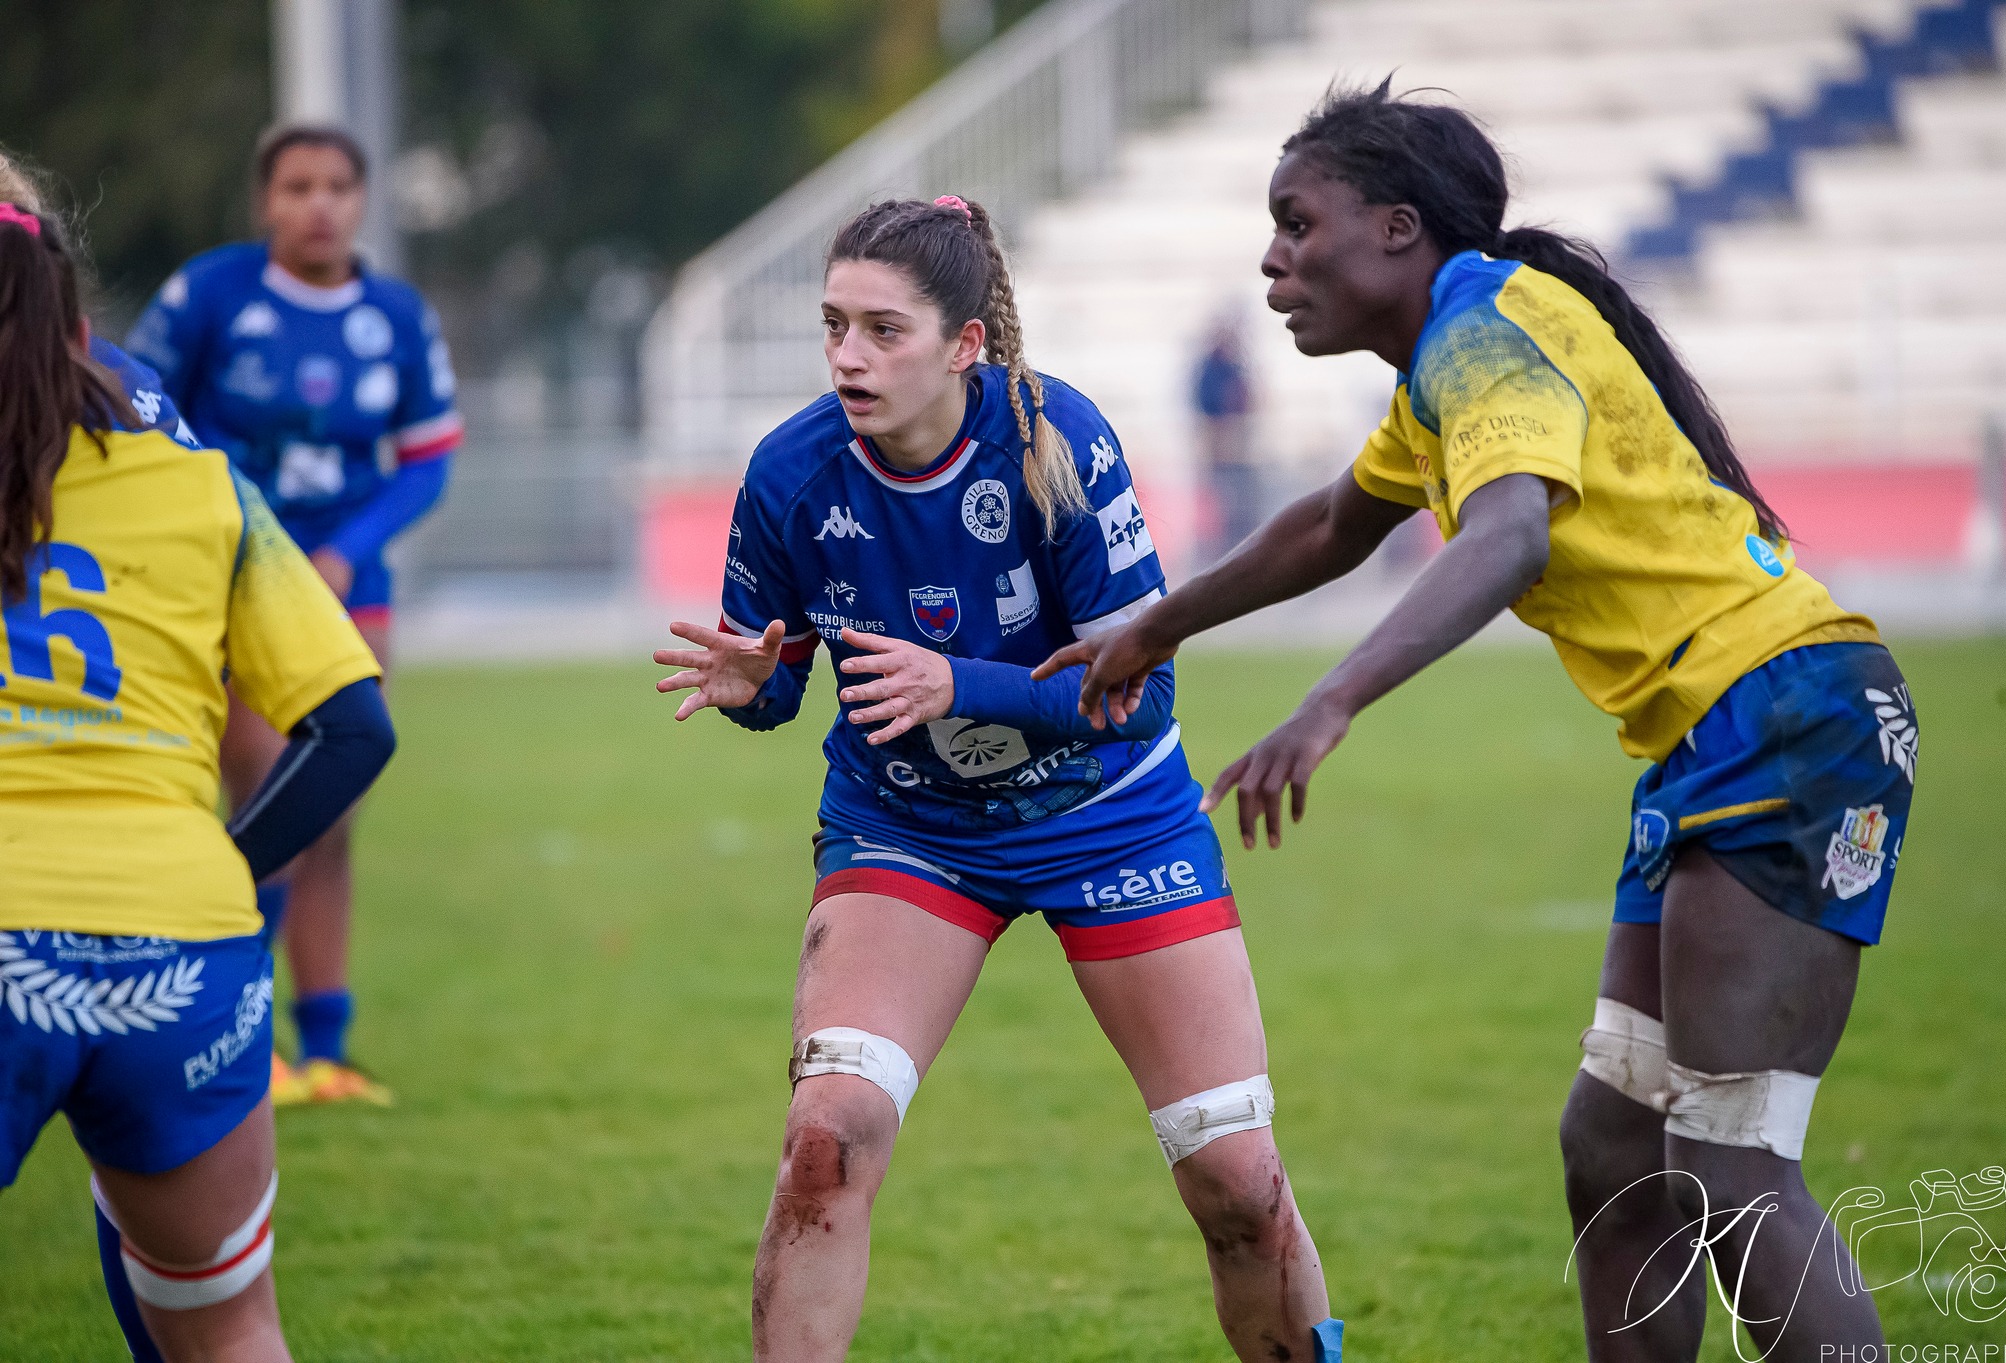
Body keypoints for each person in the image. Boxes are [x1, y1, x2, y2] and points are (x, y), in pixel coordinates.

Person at [1040, 81, 1916, 1362]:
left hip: (1785, 715)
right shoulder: (1442, 366)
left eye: (1297, 221)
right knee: (1614, 1149)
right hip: (1726, 735)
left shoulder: (1482, 327)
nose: (1272, 256)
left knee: (1729, 1167)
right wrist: (1159, 625)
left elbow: (1507, 534)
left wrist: (1330, 699)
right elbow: (1334, 525)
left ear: (1398, 229)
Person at [653, 195, 1346, 1363]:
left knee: (1234, 1174)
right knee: (827, 1134)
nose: (846, 357)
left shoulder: (1058, 442)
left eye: (882, 330)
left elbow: (1148, 693)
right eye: (832, 326)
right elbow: (781, 687)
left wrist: (959, 683)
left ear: (965, 344)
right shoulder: (789, 473)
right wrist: (752, 684)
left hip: (1110, 820)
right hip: (907, 826)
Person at [0, 200, 395, 1362]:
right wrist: (215, 871)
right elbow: (354, 728)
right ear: (79, 328)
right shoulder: (203, 484)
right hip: (185, 951)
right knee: (226, 1330)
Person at [126, 124, 462, 1106]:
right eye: (296, 186)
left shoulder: (397, 315)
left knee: (336, 815)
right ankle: (245, 1039)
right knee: (271, 796)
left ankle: (327, 1049)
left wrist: (344, 550)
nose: (318, 204)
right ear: (264, 202)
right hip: (232, 578)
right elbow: (143, 410)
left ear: (362, 202)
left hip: (350, 589)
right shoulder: (209, 294)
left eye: (337, 186)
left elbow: (430, 458)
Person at [1191, 310, 1259, 561]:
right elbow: (1206, 407)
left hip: (1240, 451)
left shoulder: (1236, 366)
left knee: (1242, 507)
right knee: (1222, 506)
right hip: (1219, 452)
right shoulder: (1208, 370)